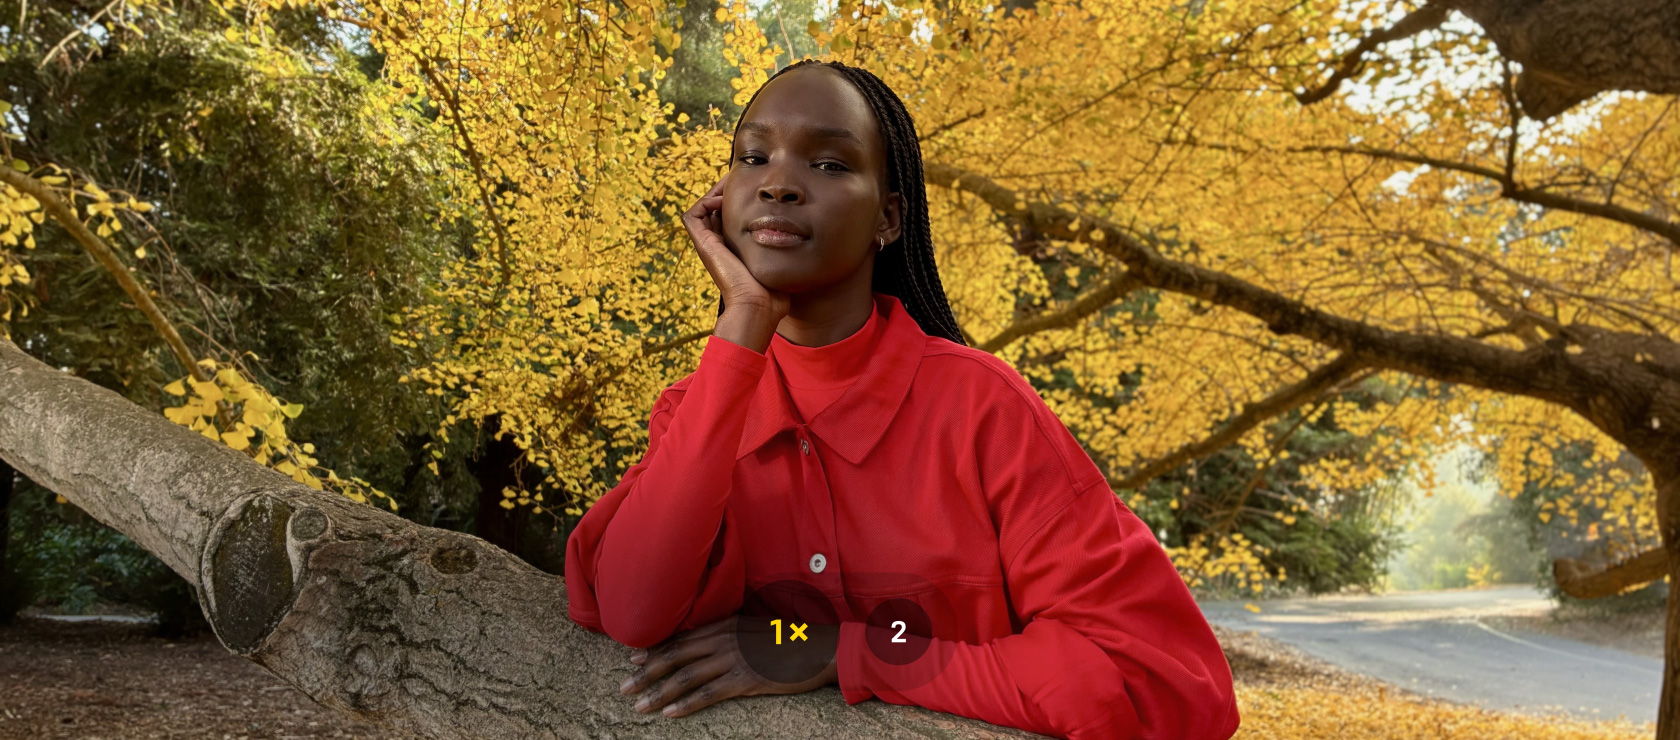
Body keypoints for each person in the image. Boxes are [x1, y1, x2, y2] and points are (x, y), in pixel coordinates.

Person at [564, 58, 1240, 740]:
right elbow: (633, 609)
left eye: (829, 164)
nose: (778, 184)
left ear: (887, 218)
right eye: (753, 157)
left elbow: (1156, 682)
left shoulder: (985, 409)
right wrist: (743, 319)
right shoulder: (698, 410)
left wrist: (844, 651)